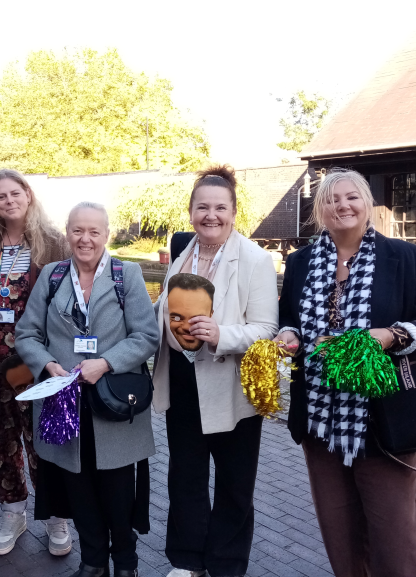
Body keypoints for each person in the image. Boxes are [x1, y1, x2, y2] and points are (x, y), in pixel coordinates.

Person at [273, 168, 416, 577]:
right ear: (321, 210)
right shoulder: (299, 263)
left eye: (351, 197)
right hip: (318, 422)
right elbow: (288, 321)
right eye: (332, 200)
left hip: (384, 421)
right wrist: (288, 337)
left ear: (366, 203)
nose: (342, 206)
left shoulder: (402, 258)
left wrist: (387, 336)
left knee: (395, 537)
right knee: (341, 536)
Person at [16, 201, 160, 577]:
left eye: (94, 231)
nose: (85, 239)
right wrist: (47, 365)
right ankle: (93, 561)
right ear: (67, 233)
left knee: (117, 492)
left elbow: (147, 335)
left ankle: (126, 565)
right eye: (78, 230)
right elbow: (27, 334)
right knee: (78, 490)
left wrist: (105, 362)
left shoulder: (124, 274)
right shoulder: (51, 275)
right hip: (63, 404)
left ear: (106, 235)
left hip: (112, 404)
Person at [152, 164, 278, 577]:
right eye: (202, 207)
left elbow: (266, 329)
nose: (211, 215)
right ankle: (187, 560)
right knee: (185, 477)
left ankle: (225, 564)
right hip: (184, 385)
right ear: (190, 212)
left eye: (220, 208)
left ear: (233, 212)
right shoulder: (182, 252)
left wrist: (221, 333)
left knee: (234, 483)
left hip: (231, 386)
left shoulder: (256, 260)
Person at [0, 168, 72, 556]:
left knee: (43, 439)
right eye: (1, 196)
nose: (9, 201)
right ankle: (13, 512)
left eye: (16, 193)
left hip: (33, 361)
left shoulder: (53, 244)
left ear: (28, 196)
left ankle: (57, 515)